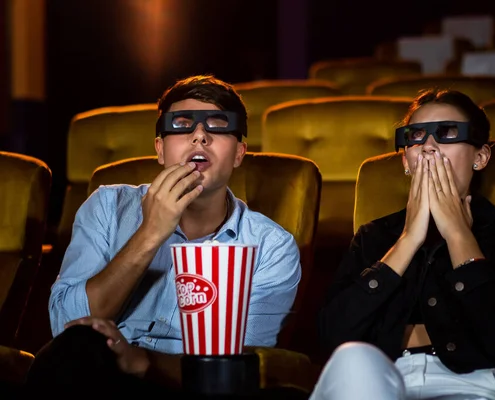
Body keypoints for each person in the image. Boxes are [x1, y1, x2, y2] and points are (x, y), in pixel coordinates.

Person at [24, 75, 301, 396]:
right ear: (160, 149)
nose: (200, 136)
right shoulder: (107, 205)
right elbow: (67, 328)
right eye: (182, 125)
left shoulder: (271, 246)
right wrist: (151, 232)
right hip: (94, 375)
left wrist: (141, 361)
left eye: (217, 125)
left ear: (239, 153)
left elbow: (243, 366)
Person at [309, 89, 495, 400]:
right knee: (354, 359)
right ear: (405, 161)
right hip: (381, 377)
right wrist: (408, 239)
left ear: (480, 158)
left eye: (448, 133)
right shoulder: (375, 235)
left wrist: (458, 235)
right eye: (416, 135)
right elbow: (333, 337)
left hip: (473, 382)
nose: (428, 147)